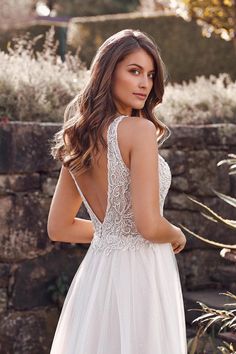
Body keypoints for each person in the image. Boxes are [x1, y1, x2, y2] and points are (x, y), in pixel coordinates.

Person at [47, 28, 187, 354]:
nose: (144, 83)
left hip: (99, 273)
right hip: (142, 272)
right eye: (134, 71)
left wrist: (109, 232)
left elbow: (60, 227)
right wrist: (177, 234)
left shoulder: (77, 138)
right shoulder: (139, 130)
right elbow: (149, 226)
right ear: (108, 73)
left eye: (150, 75)